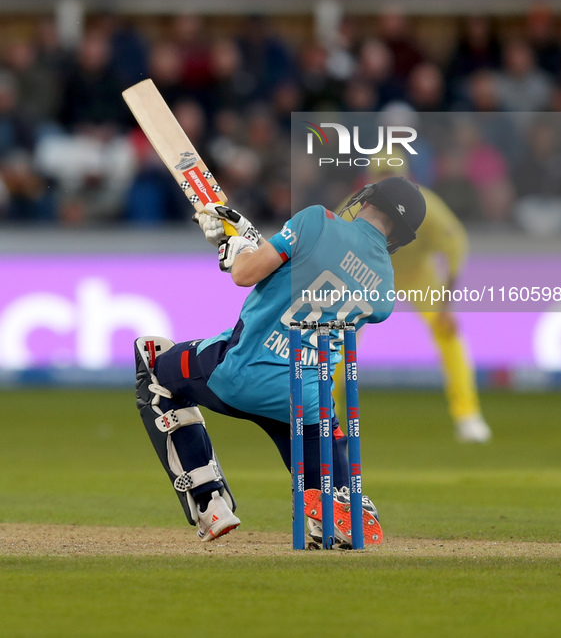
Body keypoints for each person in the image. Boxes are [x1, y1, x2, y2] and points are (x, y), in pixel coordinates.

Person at [134, 176, 426, 546]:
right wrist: (248, 240)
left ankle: (210, 504)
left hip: (240, 375)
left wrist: (234, 247)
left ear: (366, 199)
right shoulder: (385, 287)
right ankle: (332, 508)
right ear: (401, 233)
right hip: (306, 402)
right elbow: (316, 274)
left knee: (155, 364)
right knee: (330, 486)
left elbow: (245, 274)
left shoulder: (317, 220)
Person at [338, 171, 492, 443]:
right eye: (381, 175)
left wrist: (446, 307)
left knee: (448, 333)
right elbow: (334, 242)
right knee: (337, 335)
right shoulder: (358, 203)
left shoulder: (428, 207)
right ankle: (325, 413)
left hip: (417, 275)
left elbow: (455, 245)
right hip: (367, 273)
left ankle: (468, 415)